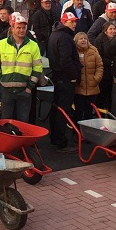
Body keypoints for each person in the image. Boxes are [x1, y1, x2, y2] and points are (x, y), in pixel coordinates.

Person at [0, 13, 42, 122]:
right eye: (18, 27)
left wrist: (30, 87)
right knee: (6, 120)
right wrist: (0, 77)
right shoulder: (1, 44)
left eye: (23, 28)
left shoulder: (33, 45)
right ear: (12, 28)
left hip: (24, 90)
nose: (21, 30)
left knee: (23, 121)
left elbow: (38, 68)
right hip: (6, 90)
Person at [47, 12, 82, 152]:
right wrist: (74, 75)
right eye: (70, 21)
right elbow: (66, 60)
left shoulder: (55, 34)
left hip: (58, 77)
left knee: (56, 109)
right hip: (65, 79)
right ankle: (61, 141)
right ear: (63, 22)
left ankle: (55, 138)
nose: (74, 24)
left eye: (74, 21)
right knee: (63, 111)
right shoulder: (64, 37)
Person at [73, 32, 103, 122]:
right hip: (78, 89)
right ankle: (77, 133)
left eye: (85, 38)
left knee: (89, 113)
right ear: (76, 41)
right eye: (81, 39)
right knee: (78, 112)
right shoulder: (73, 51)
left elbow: (99, 66)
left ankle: (88, 134)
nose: (83, 40)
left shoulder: (94, 50)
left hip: (92, 88)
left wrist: (96, 79)